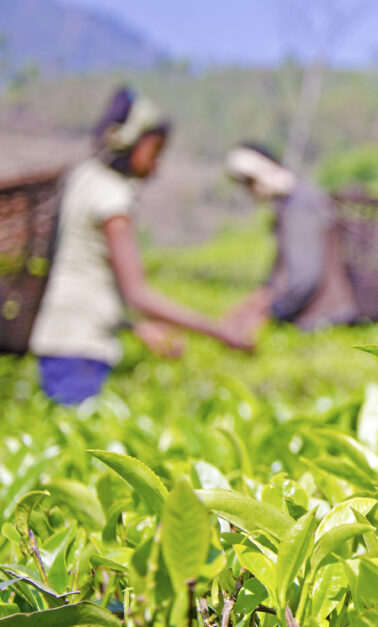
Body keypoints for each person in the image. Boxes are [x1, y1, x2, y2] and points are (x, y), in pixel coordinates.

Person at [28, 87, 254, 405]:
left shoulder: (85, 176)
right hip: (79, 348)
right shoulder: (112, 197)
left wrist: (136, 326)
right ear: (132, 141)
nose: (156, 165)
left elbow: (91, 273)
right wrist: (220, 333)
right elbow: (139, 294)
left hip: (62, 337)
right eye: (155, 151)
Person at [222, 143, 360, 333]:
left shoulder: (299, 207)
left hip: (320, 319)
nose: (249, 191)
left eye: (249, 183)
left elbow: (304, 278)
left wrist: (274, 314)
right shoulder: (295, 200)